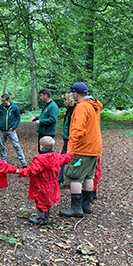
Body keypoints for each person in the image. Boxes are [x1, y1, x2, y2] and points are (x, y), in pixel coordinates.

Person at [60, 82, 103, 218]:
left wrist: (70, 149)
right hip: (94, 148)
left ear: (76, 94)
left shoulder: (82, 107)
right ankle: (86, 205)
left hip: (82, 148)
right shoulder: (94, 105)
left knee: (75, 176)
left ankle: (76, 207)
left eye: (72, 93)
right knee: (89, 176)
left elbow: (77, 130)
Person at [18, 136, 73, 226]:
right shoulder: (57, 157)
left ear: (41, 147)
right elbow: (66, 158)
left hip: (41, 185)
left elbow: (31, 170)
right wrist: (71, 153)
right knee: (47, 201)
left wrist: (19, 171)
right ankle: (45, 217)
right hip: (53, 184)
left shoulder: (39, 160)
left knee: (41, 201)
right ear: (53, 147)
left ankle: (41, 219)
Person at [0, 94, 28, 167]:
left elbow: (18, 118)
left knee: (16, 145)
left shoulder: (14, 107)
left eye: (4, 101)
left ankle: (23, 162)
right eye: (1, 101)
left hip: (11, 130)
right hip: (1, 130)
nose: (2, 102)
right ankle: (4, 162)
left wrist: (14, 127)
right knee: (2, 146)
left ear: (8, 100)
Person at [31, 89, 59, 153]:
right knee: (41, 150)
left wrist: (40, 121)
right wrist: (36, 118)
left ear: (45, 96)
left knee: (46, 151)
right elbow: (44, 116)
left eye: (41, 96)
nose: (40, 98)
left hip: (48, 133)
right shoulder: (46, 105)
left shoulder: (53, 106)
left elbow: (53, 119)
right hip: (43, 131)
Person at [59, 92, 76, 186]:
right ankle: (63, 178)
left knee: (64, 157)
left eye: (65, 100)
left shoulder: (74, 110)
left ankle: (60, 178)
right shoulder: (69, 110)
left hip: (70, 138)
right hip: (67, 137)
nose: (64, 102)